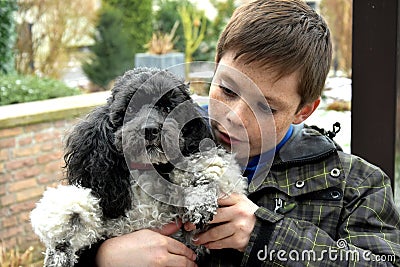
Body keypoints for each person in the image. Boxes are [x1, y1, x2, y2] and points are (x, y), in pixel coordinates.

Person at [81, 0, 400, 266]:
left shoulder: (355, 183)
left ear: (304, 110)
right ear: (215, 68)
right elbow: (67, 234)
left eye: (266, 108)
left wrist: (267, 235)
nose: (234, 118)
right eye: (228, 90)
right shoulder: (146, 143)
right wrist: (102, 257)